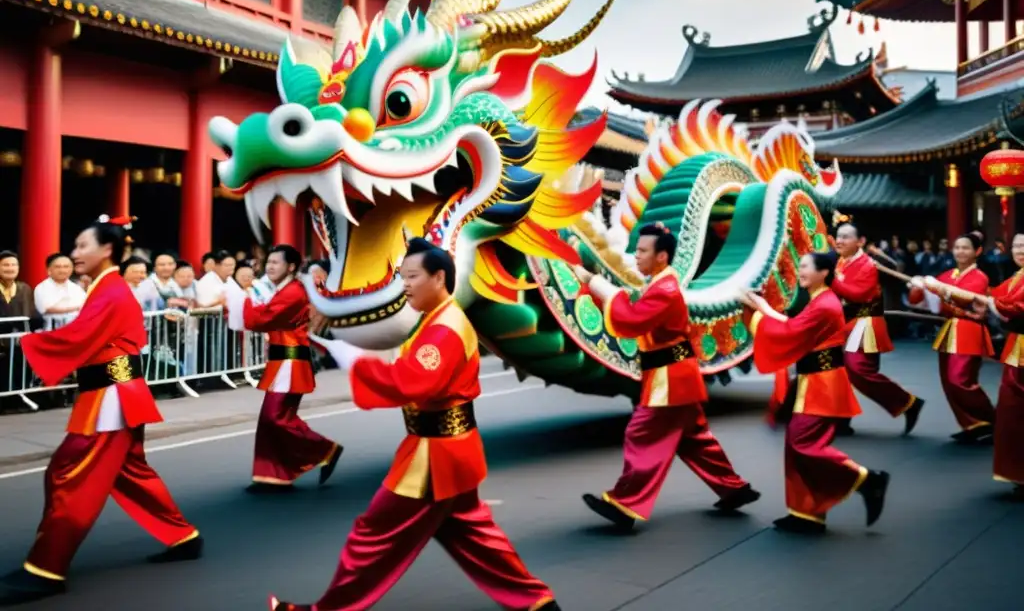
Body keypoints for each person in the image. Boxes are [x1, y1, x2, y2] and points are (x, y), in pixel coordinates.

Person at [269, 238, 560, 611]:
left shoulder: (444, 327)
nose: (404, 284)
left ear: (439, 277)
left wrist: (357, 363)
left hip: (433, 455)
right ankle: (535, 601)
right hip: (448, 448)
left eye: (412, 276)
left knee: (372, 534)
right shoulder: (439, 318)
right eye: (402, 276)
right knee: (472, 533)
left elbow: (413, 382)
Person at [0, 216, 202, 605]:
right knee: (131, 473)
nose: (74, 254)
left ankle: (47, 567)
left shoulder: (109, 291)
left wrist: (25, 343)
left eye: (80, 246)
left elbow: (77, 336)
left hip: (112, 397)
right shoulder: (104, 288)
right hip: (115, 392)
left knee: (68, 475)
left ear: (107, 250)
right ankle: (183, 536)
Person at [572, 224, 758, 530]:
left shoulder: (665, 289)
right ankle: (734, 488)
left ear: (662, 256)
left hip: (670, 378)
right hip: (672, 374)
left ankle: (626, 503)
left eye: (643, 250)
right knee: (695, 440)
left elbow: (631, 319)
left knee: (642, 434)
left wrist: (597, 284)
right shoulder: (660, 284)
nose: (636, 255)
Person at [740, 252, 889, 534]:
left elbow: (792, 330)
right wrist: (760, 307)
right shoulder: (821, 300)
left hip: (823, 383)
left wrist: (759, 308)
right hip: (814, 380)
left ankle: (866, 479)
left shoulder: (826, 304)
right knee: (796, 445)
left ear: (824, 272)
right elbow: (792, 327)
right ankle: (806, 512)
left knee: (803, 444)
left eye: (805, 267)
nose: (800, 272)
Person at [242, 244, 342, 492]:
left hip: (290, 362)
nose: (270, 266)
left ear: (291, 266)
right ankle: (271, 476)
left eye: (276, 262)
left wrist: (242, 301)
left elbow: (262, 319)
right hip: (282, 361)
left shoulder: (293, 292)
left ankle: (323, 449)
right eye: (270, 262)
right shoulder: (284, 289)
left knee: (275, 418)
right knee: (271, 420)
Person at [832, 223, 924, 436]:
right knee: (836, 372)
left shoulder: (868, 264)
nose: (840, 241)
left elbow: (859, 294)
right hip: (843, 323)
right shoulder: (841, 262)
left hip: (864, 322)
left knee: (858, 369)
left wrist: (832, 281)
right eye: (838, 237)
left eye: (846, 237)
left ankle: (907, 403)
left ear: (860, 241)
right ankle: (840, 419)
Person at [908, 233, 996, 444]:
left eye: (965, 248)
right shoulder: (947, 275)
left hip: (968, 330)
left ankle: (992, 420)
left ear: (977, 252)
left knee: (961, 380)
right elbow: (919, 300)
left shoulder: (980, 277)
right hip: (949, 330)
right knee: (948, 381)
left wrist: (937, 288)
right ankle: (972, 424)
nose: (960, 252)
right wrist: (917, 286)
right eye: (957, 247)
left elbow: (966, 299)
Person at [974, 232, 1024, 499]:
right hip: (1017, 347)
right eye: (1016, 245)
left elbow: (1012, 306)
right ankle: (1018, 471)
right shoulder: (1015, 278)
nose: (1020, 250)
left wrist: (991, 303)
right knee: (1011, 410)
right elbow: (994, 297)